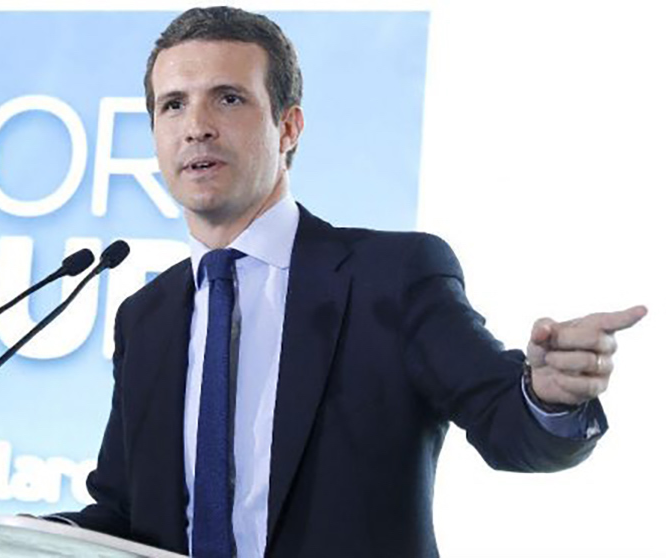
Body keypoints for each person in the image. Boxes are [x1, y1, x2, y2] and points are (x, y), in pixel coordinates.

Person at [50, 7, 648, 558]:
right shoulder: (145, 315)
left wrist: (547, 397)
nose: (196, 127)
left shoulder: (393, 275)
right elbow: (127, 512)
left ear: (289, 128)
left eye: (228, 99)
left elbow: (508, 427)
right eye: (173, 104)